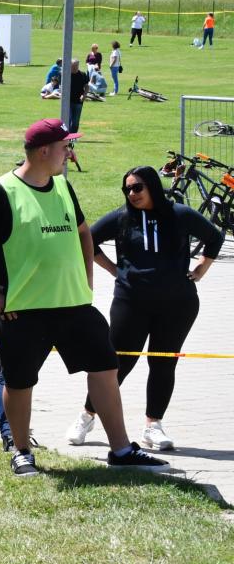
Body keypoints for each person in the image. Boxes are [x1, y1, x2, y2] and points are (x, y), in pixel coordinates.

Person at [0, 119, 170, 476]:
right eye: (65, 146)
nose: (69, 153)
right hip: (22, 310)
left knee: (106, 367)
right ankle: (21, 451)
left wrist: (86, 280)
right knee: (20, 382)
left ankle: (121, 450)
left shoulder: (63, 186)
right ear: (44, 151)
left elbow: (84, 233)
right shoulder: (0, 192)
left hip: (73, 305)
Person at [66, 166, 224, 452]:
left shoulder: (179, 214)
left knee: (163, 362)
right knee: (117, 362)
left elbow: (215, 237)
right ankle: (87, 415)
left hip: (177, 304)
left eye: (137, 187)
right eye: (127, 189)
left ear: (152, 186)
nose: (132, 194)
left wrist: (201, 268)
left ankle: (153, 425)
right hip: (131, 302)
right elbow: (86, 239)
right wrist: (113, 269)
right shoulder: (122, 217)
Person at [68, 59, 88, 132]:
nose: (74, 67)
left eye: (76, 66)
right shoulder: (66, 74)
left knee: (75, 121)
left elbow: (87, 86)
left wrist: (84, 95)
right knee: (68, 119)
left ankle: (73, 136)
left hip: (78, 101)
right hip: (68, 101)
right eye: (73, 66)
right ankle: (67, 136)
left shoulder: (83, 74)